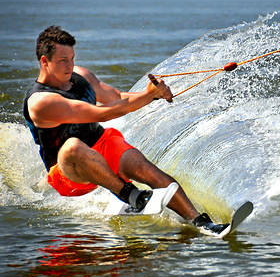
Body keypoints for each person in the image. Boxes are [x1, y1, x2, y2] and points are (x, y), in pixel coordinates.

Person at [23, 25, 227, 235]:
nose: (70, 65)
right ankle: (130, 195)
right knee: (73, 146)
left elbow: (117, 98)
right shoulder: (41, 102)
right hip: (69, 172)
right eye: (63, 61)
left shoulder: (80, 76)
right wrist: (149, 95)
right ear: (44, 62)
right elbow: (101, 113)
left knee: (147, 170)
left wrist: (153, 94)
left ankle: (201, 223)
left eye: (72, 58)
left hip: (101, 144)